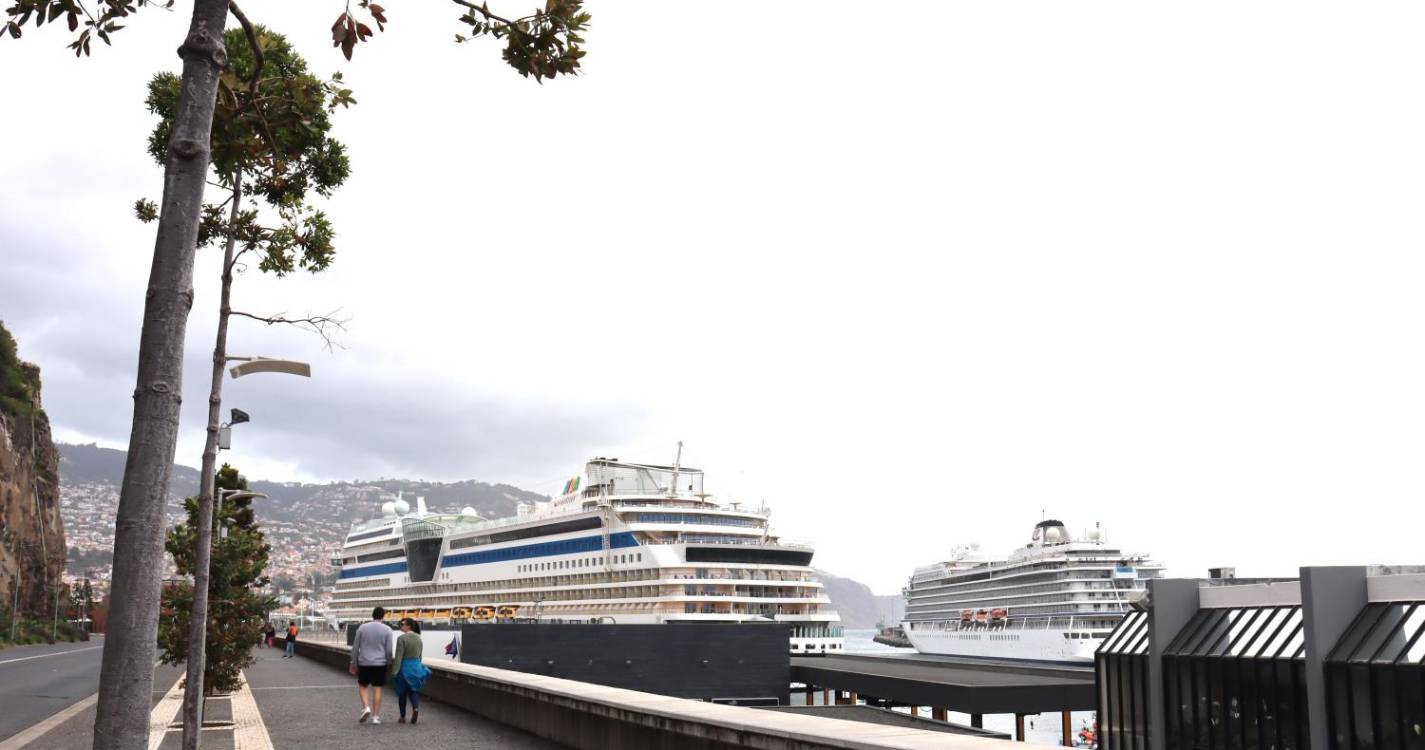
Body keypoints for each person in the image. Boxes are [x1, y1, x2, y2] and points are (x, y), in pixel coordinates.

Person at [349, 606, 394, 724]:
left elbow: (355, 647)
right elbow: (389, 650)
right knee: (377, 689)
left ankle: (366, 707)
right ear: (383, 616)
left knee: (363, 686)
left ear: (372, 615)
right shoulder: (388, 630)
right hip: (380, 663)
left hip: (364, 662)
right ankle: (375, 717)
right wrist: (388, 662)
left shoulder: (362, 628)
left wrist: (353, 663)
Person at [389, 618, 431, 724]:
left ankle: (403, 717)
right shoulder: (418, 638)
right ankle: (415, 708)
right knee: (414, 690)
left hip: (404, 667)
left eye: (403, 624)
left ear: (409, 626)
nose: (401, 625)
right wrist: (418, 667)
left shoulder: (401, 638)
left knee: (402, 692)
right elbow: (420, 656)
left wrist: (394, 672)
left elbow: (398, 657)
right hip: (416, 667)